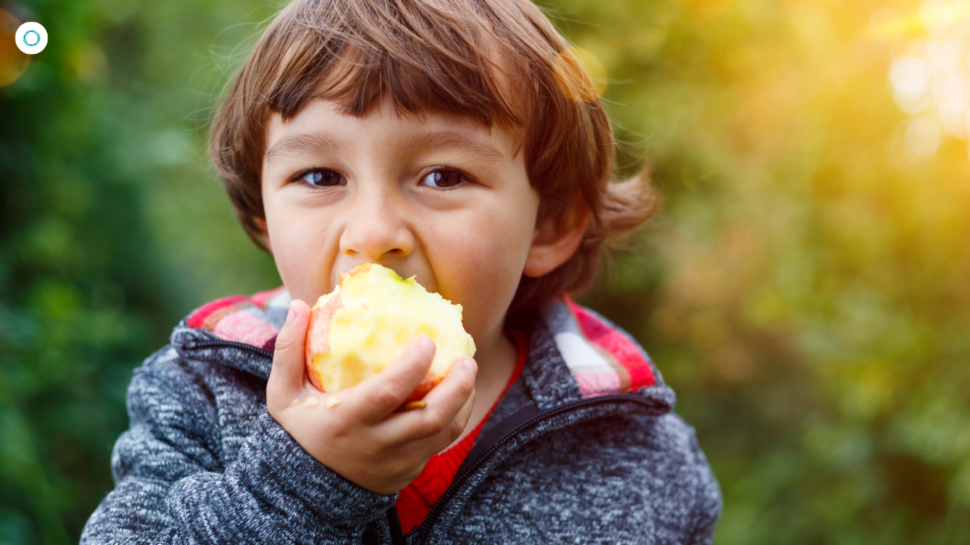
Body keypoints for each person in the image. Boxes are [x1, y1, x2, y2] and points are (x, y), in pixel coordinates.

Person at [81, 0, 721, 542]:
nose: (373, 234)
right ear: (265, 219)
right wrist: (301, 483)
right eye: (321, 176)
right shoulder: (202, 390)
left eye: (443, 176)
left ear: (548, 225)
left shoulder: (642, 460)